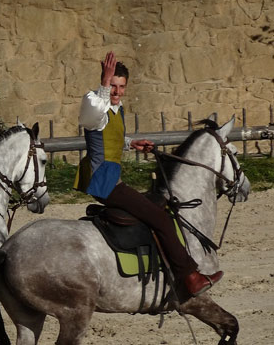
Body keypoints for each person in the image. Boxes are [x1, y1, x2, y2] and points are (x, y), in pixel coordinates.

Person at [73, 51, 223, 297]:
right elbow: (91, 120)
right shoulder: (95, 102)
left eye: (121, 87)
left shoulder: (115, 108)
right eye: (113, 85)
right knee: (161, 219)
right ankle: (191, 277)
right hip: (103, 180)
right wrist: (103, 83)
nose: (116, 91)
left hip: (112, 177)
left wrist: (130, 144)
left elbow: (106, 136)